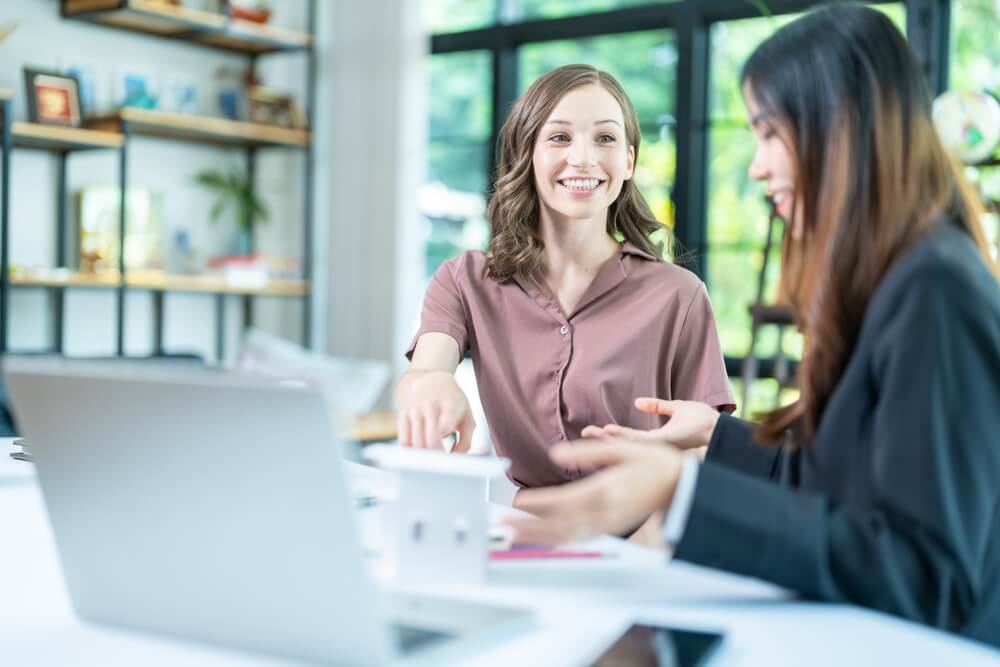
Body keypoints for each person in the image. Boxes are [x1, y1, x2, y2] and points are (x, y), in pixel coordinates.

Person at [507, 4, 1000, 646]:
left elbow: (927, 574)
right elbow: (840, 479)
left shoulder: (934, 286)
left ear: (841, 127)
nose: (758, 166)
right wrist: (718, 438)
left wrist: (683, 492)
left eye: (770, 133)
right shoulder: (896, 275)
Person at [396, 64, 734, 495]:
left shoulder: (680, 297)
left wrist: (649, 534)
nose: (583, 158)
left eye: (605, 139)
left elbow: (706, 447)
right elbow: (426, 371)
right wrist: (430, 388)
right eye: (559, 137)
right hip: (525, 534)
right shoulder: (465, 280)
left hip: (644, 536)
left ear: (628, 161)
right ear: (527, 152)